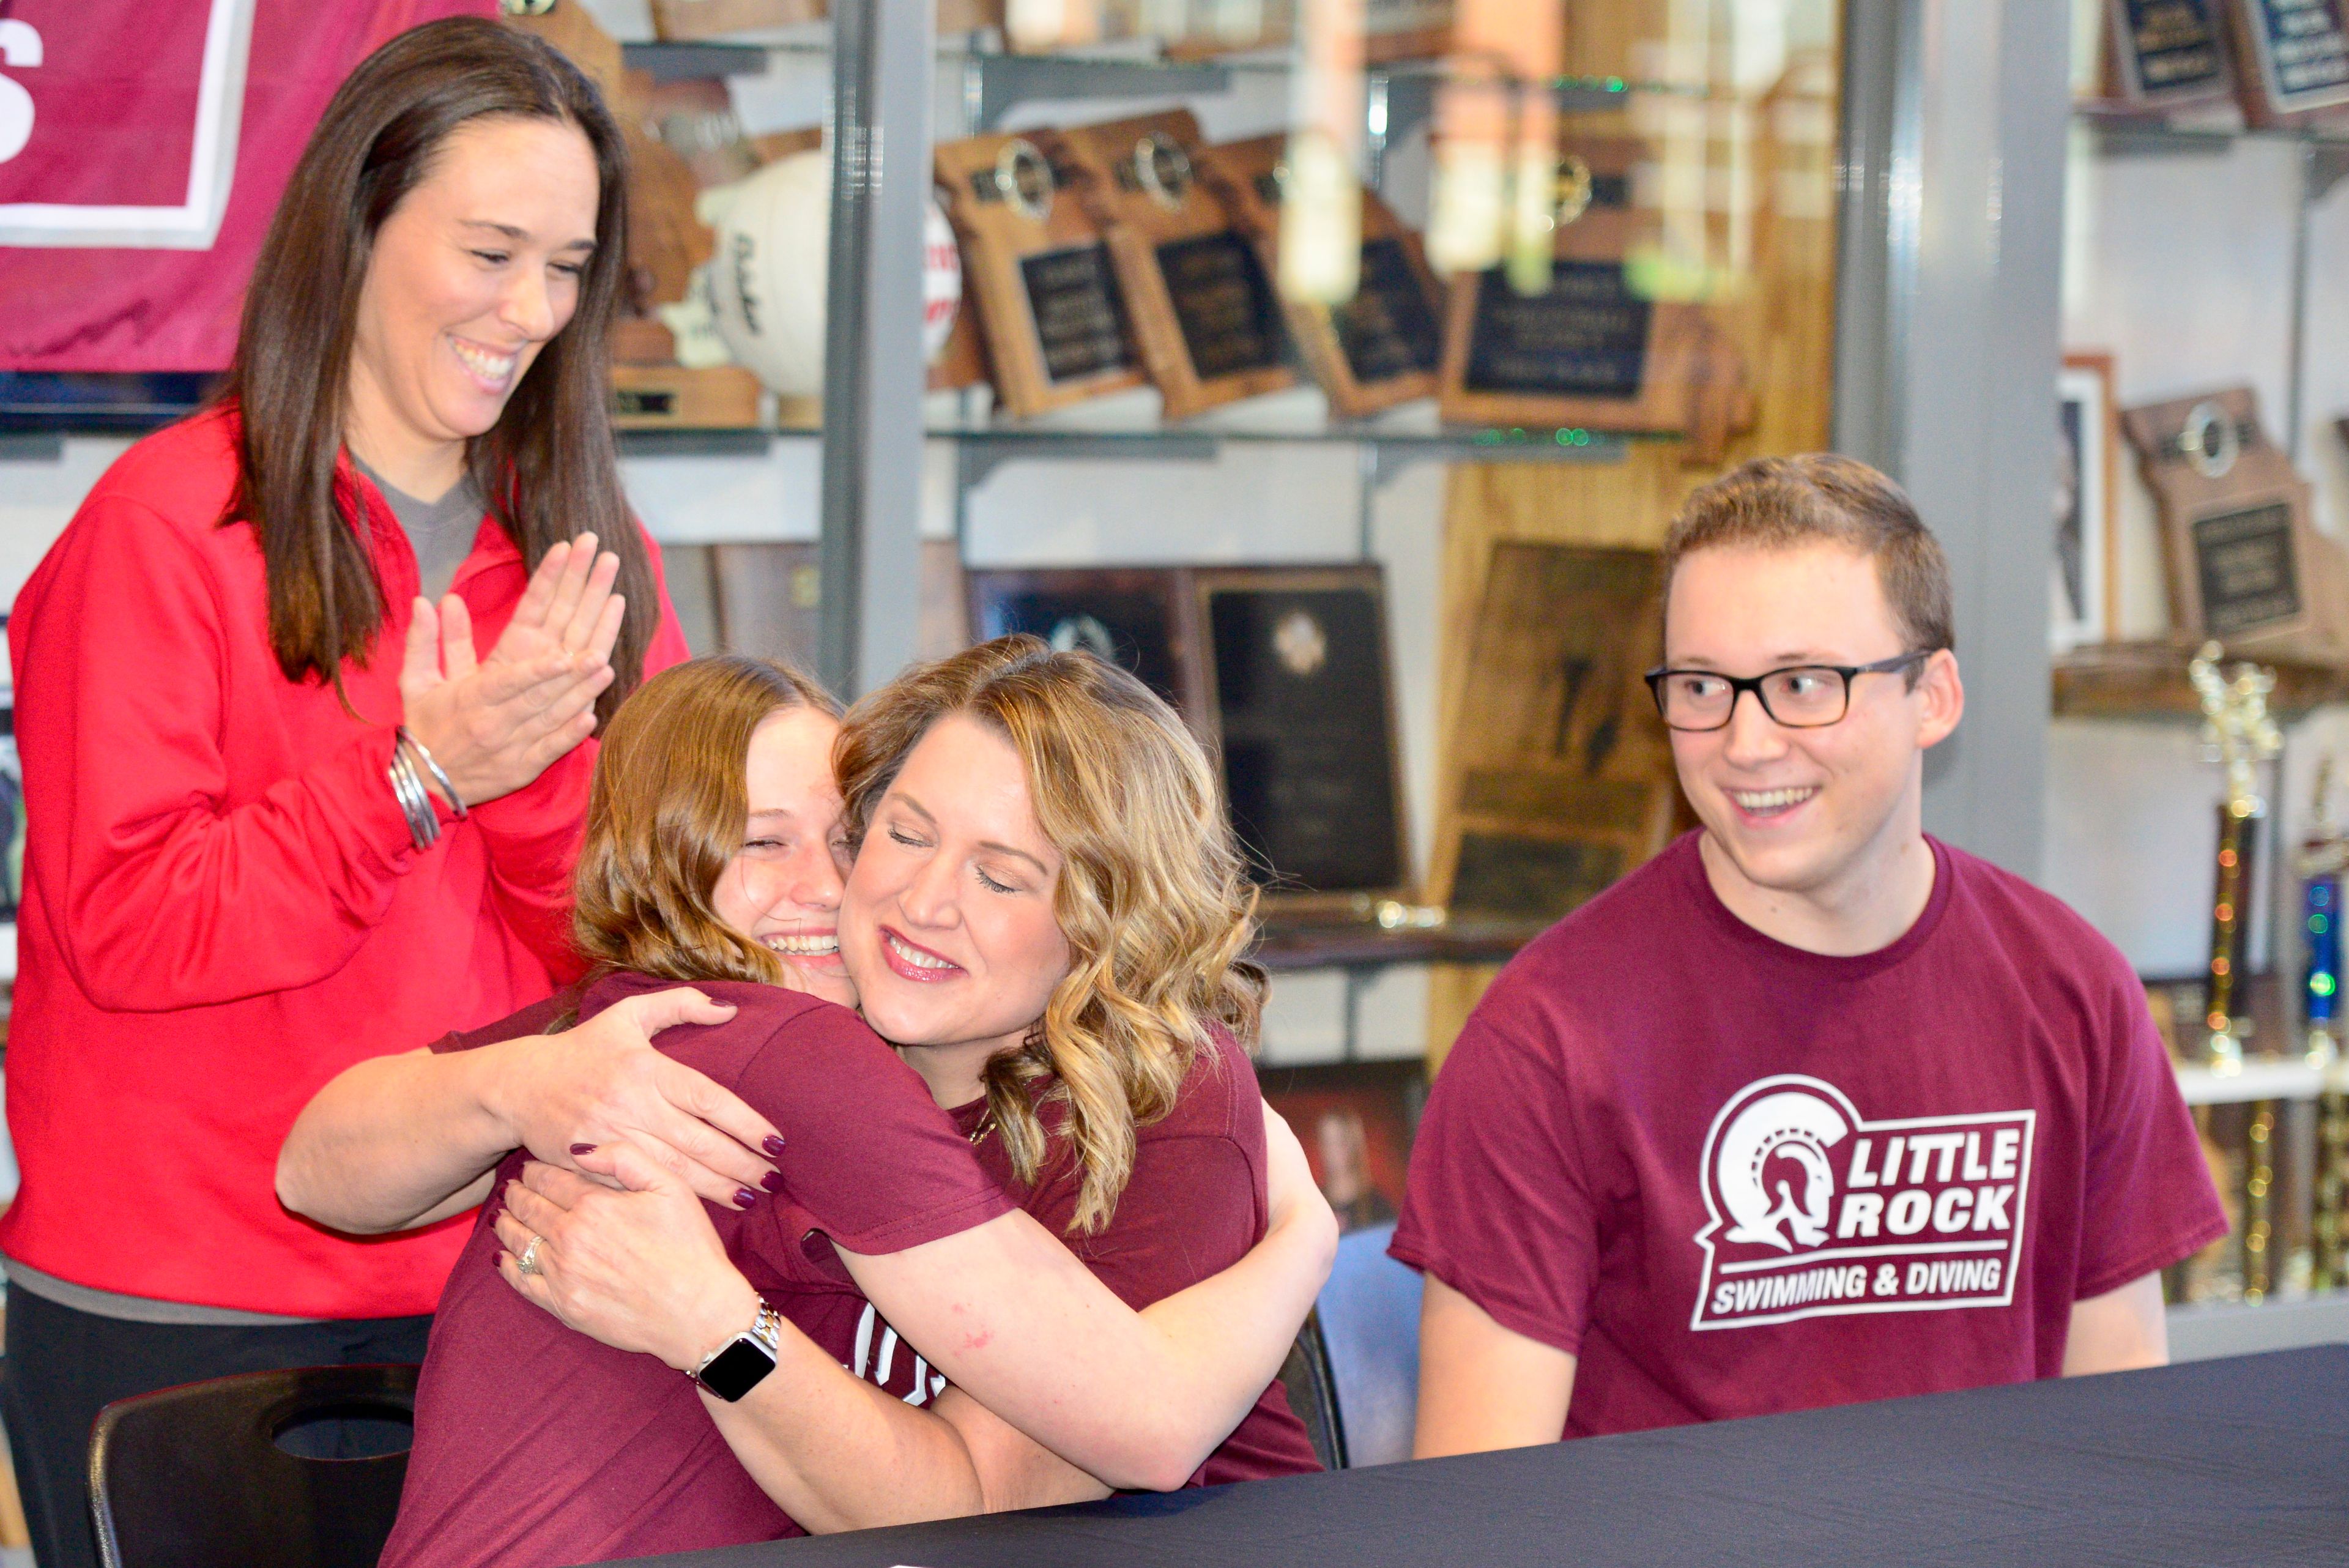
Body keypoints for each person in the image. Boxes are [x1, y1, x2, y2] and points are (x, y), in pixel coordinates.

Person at [0, 23, 697, 1568]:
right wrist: (421, 778)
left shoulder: (587, 546)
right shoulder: (167, 528)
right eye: (491, 250)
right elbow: (129, 926)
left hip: (518, 1289)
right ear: (359, 225)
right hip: (181, 1309)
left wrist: (510, 783)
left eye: (569, 265)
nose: (530, 310)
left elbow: (643, 930)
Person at [278, 647, 1327, 1566]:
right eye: (904, 834)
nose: (885, 896)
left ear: (1100, 917)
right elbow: (316, 1166)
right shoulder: (733, 1028)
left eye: (1002, 877)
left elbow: (1065, 1467)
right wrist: (521, 1085)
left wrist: (717, 1325)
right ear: (673, 874)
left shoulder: (1144, 1103)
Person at [1395, 454, 2227, 1453]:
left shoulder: (2075, 992)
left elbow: (2118, 1444)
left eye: (1802, 685)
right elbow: (1483, 1515)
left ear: (1935, 697)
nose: (1744, 742)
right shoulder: (1546, 1038)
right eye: (1702, 685)